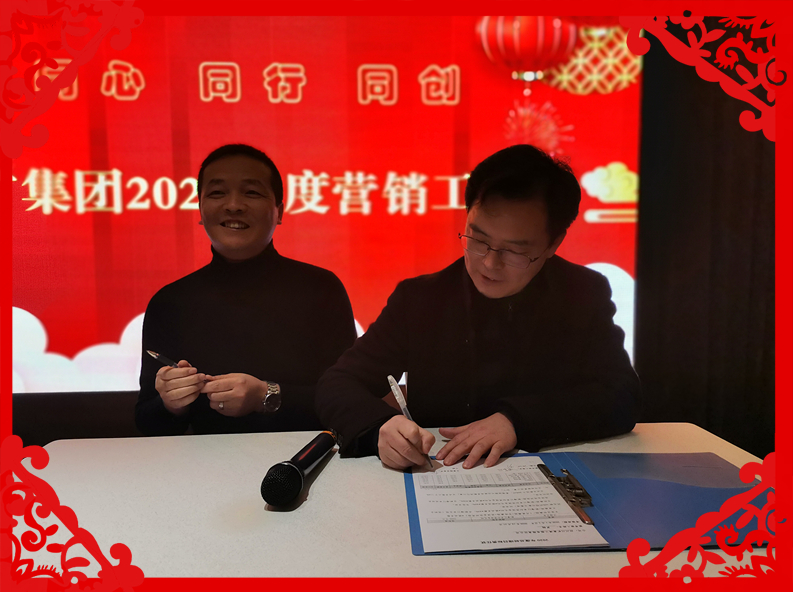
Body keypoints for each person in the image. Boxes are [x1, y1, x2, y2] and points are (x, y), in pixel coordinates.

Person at [316, 144, 640, 469]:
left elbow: (621, 395)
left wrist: (516, 421)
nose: (489, 263)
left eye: (514, 251)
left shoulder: (582, 293)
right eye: (478, 239)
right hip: (438, 473)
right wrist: (381, 428)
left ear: (553, 243)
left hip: (546, 474)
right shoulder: (421, 299)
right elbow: (338, 383)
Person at [136, 144, 357, 436]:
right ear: (200, 210)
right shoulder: (169, 302)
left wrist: (266, 395)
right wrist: (171, 404)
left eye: (251, 192)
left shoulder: (321, 289)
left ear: (279, 211)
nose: (233, 205)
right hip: (205, 461)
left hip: (308, 456)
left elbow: (349, 399)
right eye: (217, 193)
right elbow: (146, 424)